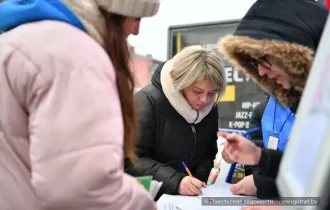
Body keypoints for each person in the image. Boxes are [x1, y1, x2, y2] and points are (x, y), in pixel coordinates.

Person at [0, 0, 160, 209]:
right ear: (114, 12)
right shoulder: (76, 56)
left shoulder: (17, 38)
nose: (136, 31)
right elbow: (83, 187)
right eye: (136, 18)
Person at [217, 0, 328, 202]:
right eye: (254, 63)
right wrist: (258, 156)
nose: (260, 71)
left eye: (263, 58)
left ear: (295, 50)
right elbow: (308, 175)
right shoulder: (308, 101)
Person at [125, 45, 227, 199]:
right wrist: (176, 182)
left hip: (189, 199)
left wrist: (197, 179)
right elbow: (132, 159)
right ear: (181, 83)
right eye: (197, 91)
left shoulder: (210, 107)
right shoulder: (146, 102)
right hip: (149, 198)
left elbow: (208, 152)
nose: (205, 100)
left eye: (212, 93)